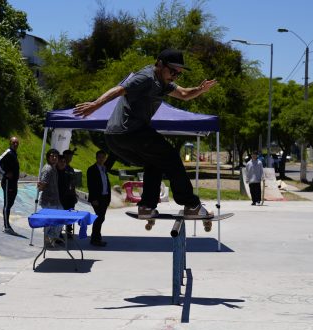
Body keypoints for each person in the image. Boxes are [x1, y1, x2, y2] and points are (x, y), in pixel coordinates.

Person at [73, 48, 217, 219]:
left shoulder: (164, 83)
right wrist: (95, 105)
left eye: (178, 74)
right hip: (130, 131)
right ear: (160, 64)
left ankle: (147, 207)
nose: (174, 76)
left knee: (154, 162)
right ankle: (191, 205)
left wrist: (200, 89)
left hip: (115, 138)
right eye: (172, 71)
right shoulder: (146, 77)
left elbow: (184, 94)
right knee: (171, 156)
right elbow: (120, 89)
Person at [0, 136, 20, 235]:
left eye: (17, 143)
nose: (15, 144)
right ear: (10, 143)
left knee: (10, 204)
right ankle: (6, 226)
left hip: (14, 183)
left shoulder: (14, 153)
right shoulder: (8, 152)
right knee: (7, 204)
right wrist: (5, 173)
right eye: (13, 142)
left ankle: (7, 224)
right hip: (7, 182)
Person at [38, 148, 62, 246]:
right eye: (52, 156)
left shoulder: (53, 168)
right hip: (48, 201)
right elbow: (42, 185)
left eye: (56, 156)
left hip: (54, 200)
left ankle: (51, 239)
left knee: (56, 220)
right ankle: (48, 241)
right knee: (49, 222)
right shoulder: (48, 169)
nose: (54, 158)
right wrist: (40, 186)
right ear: (48, 157)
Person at [86, 150, 111, 247]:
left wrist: (108, 197)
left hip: (105, 197)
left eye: (103, 157)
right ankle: (95, 239)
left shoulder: (104, 169)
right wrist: (94, 199)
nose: (101, 159)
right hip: (97, 198)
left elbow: (106, 183)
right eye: (99, 157)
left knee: (101, 218)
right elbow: (90, 185)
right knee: (99, 217)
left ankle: (97, 237)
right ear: (96, 158)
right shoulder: (91, 169)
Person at [58, 149, 79, 237]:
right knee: (61, 214)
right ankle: (58, 232)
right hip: (62, 195)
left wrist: (74, 194)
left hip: (70, 196)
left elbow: (73, 183)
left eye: (70, 157)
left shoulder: (70, 169)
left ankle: (69, 230)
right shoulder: (60, 168)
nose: (69, 158)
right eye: (67, 156)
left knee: (70, 213)